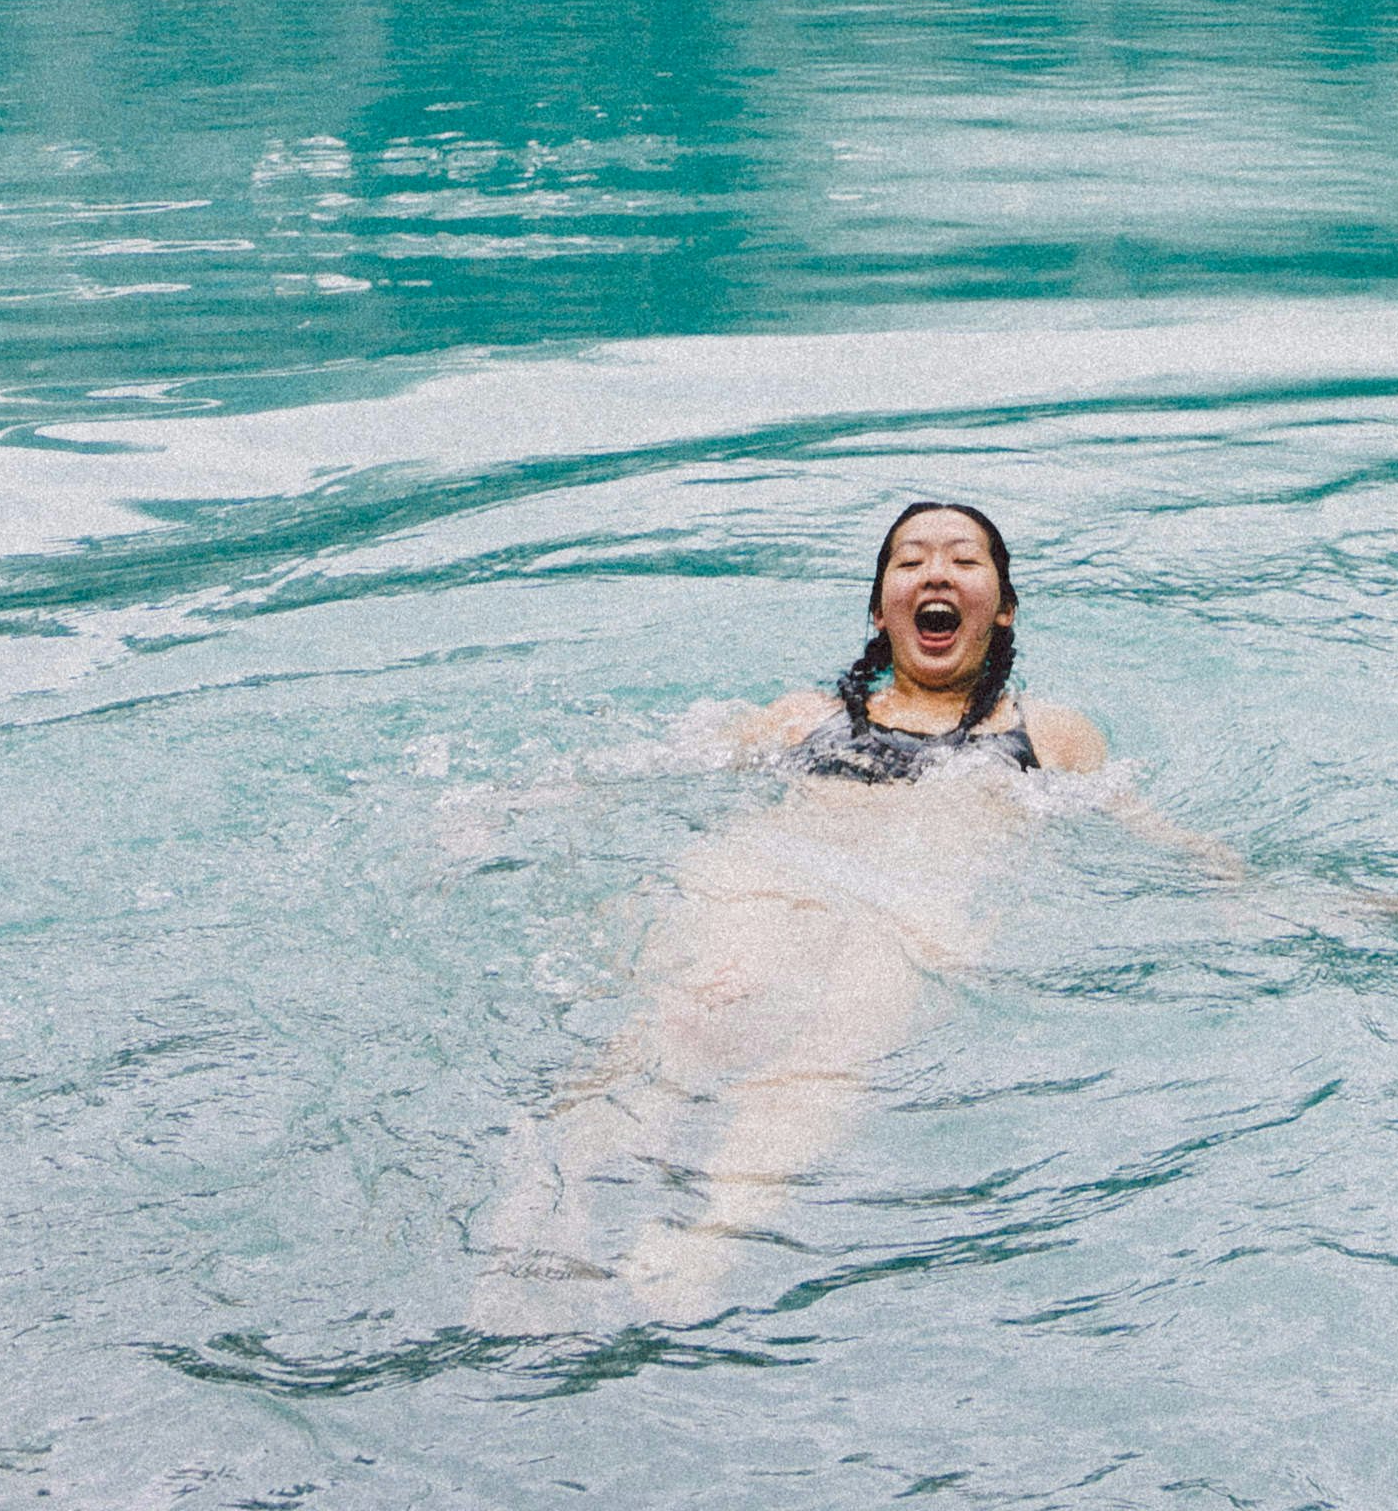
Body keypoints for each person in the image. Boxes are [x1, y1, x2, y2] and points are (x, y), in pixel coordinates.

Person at [485, 500, 1140, 1320]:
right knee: (685, 1022)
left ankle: (707, 1241)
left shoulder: (1048, 733)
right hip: (770, 886)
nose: (936, 572)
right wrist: (510, 803)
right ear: (878, 608)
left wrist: (1268, 895)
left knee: (840, 1040)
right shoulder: (805, 717)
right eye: (911, 560)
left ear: (1003, 606)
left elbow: (1149, 832)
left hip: (906, 916)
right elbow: (643, 770)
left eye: (964, 560)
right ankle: (548, 1216)